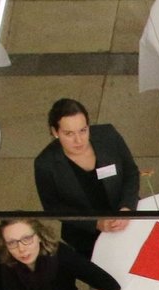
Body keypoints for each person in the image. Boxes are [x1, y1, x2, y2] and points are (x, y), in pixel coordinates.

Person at [32, 98, 138, 259]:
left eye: (83, 130)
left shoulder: (108, 136)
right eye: (69, 134)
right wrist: (95, 222)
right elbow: (53, 207)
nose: (78, 140)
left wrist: (126, 208)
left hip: (126, 220)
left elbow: (130, 172)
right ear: (55, 132)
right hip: (86, 236)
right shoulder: (46, 164)